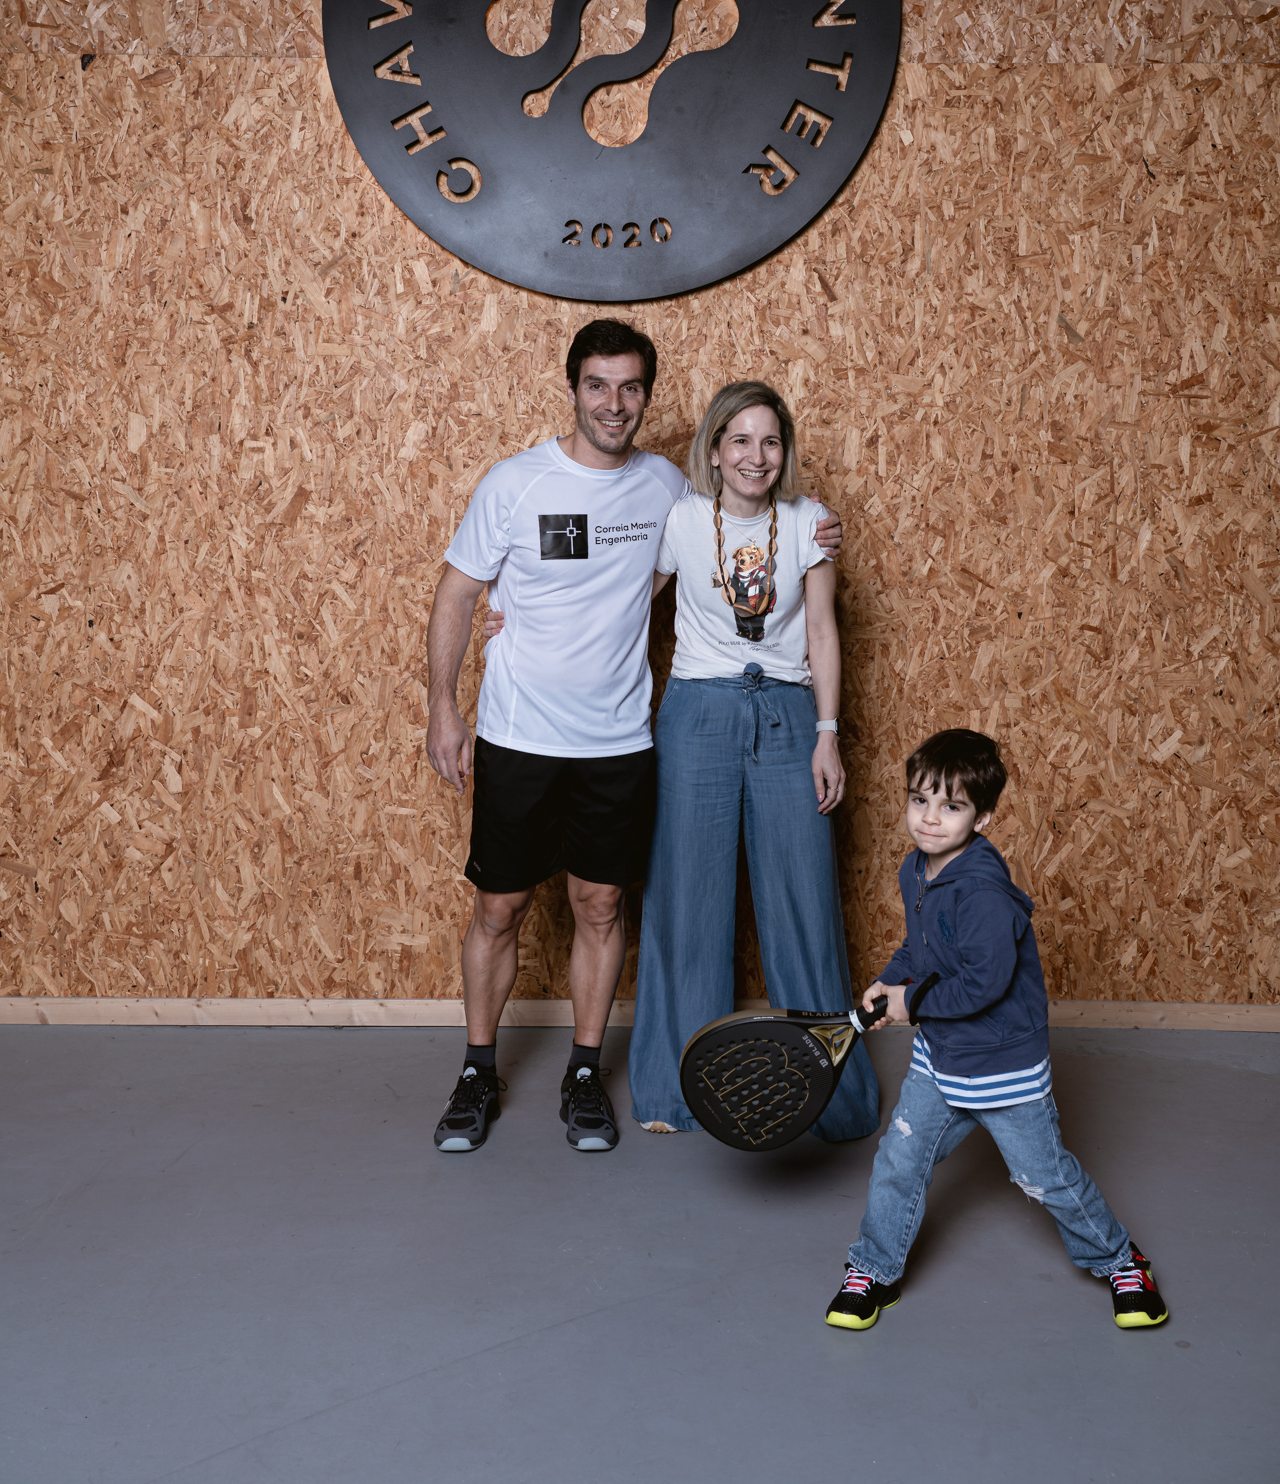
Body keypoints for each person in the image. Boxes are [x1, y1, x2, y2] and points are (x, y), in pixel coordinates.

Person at [425, 323, 842, 1154]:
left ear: (647, 397)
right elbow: (457, 593)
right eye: (597, 386)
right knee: (499, 908)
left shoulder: (667, 488)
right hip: (519, 733)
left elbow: (715, 547)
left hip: (618, 740)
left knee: (602, 904)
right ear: (572, 390)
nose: (613, 404)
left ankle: (585, 1076)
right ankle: (476, 1071)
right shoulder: (514, 483)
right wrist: (444, 706)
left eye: (629, 388)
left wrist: (811, 530)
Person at [825, 727, 1169, 1332]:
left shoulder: (983, 891)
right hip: (942, 1058)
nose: (930, 818)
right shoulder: (915, 870)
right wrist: (890, 981)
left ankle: (1122, 1262)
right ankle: (874, 1269)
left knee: (1046, 1178)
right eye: (920, 799)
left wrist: (911, 1003)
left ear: (982, 818)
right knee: (899, 1161)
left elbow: (983, 985)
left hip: (1002, 1066)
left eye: (951, 806)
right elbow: (919, 949)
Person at [626, 381, 879, 1143]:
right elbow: (622, 604)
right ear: (714, 449)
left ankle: (832, 1098)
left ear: (784, 451)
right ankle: (674, 1090)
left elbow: (823, 632)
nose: (756, 456)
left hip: (788, 714)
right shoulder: (680, 521)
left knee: (804, 896)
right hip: (697, 713)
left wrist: (827, 735)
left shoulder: (809, 522)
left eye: (770, 441)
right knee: (685, 898)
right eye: (740, 440)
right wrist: (521, 612)